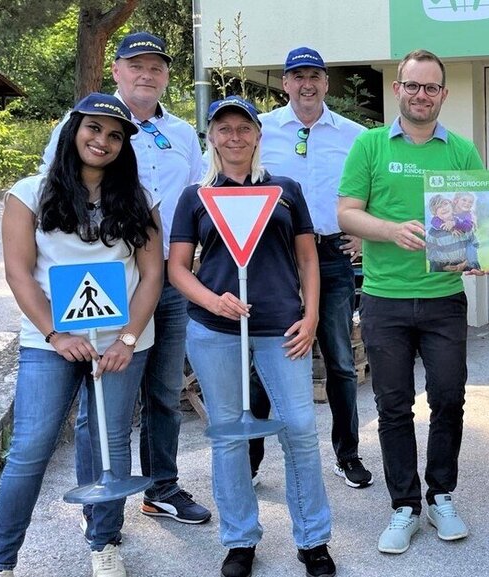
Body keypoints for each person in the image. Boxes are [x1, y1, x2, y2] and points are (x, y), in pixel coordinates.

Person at [0, 93, 163, 577]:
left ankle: (103, 543)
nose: (101, 141)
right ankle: (1, 562)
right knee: (29, 449)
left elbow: (152, 275)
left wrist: (127, 338)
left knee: (108, 446)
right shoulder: (29, 193)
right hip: (50, 343)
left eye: (114, 134)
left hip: (121, 344)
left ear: (124, 145)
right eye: (93, 129)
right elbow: (19, 273)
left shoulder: (139, 200)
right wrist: (56, 335)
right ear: (72, 131)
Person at [41, 31, 211, 526]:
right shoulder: (79, 126)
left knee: (163, 393)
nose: (147, 74)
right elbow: (50, 201)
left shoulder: (181, 133)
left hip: (170, 283)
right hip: (106, 285)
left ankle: (162, 488)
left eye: (156, 67)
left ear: (165, 77)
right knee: (100, 399)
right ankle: (101, 511)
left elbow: (196, 200)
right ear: (116, 70)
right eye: (136, 65)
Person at [167, 96, 335, 577]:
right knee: (227, 437)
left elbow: (307, 259)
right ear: (211, 137)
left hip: (283, 329)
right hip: (216, 331)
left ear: (258, 135)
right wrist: (210, 300)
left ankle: (313, 540)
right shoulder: (195, 197)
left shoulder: (285, 189)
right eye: (224, 129)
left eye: (244, 128)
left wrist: (313, 316)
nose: (235, 137)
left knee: (300, 430)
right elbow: (179, 268)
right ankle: (240, 540)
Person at [338, 49, 484, 555]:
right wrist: (390, 229)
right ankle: (405, 506)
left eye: (432, 87)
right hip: (385, 299)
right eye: (413, 86)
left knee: (448, 400)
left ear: (444, 94)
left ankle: (441, 493)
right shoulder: (371, 146)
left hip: (444, 299)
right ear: (398, 89)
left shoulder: (461, 152)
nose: (422, 95)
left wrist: (480, 253)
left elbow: (479, 223)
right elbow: (347, 214)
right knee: (393, 407)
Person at [248, 45, 372, 490]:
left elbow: (369, 188)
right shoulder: (260, 130)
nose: (307, 84)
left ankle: (348, 455)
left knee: (339, 359)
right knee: (266, 358)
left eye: (315, 75)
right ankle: (252, 459)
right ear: (285, 83)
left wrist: (364, 232)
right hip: (274, 258)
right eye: (297, 76)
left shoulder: (354, 135)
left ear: (325, 82)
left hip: (333, 254)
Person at [426, 195, 474, 272]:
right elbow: (431, 254)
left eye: (445, 204)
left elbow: (473, 246)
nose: (444, 208)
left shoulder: (463, 224)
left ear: (451, 205)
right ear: (435, 213)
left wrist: (465, 263)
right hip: (443, 269)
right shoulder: (433, 232)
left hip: (466, 266)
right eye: (439, 207)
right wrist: (444, 267)